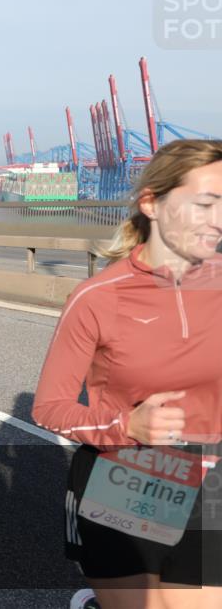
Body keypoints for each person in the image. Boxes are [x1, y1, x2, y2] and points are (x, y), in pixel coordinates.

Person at [32, 140, 222, 609]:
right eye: (205, 203)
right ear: (151, 203)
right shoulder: (98, 297)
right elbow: (49, 407)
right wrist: (125, 427)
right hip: (131, 476)